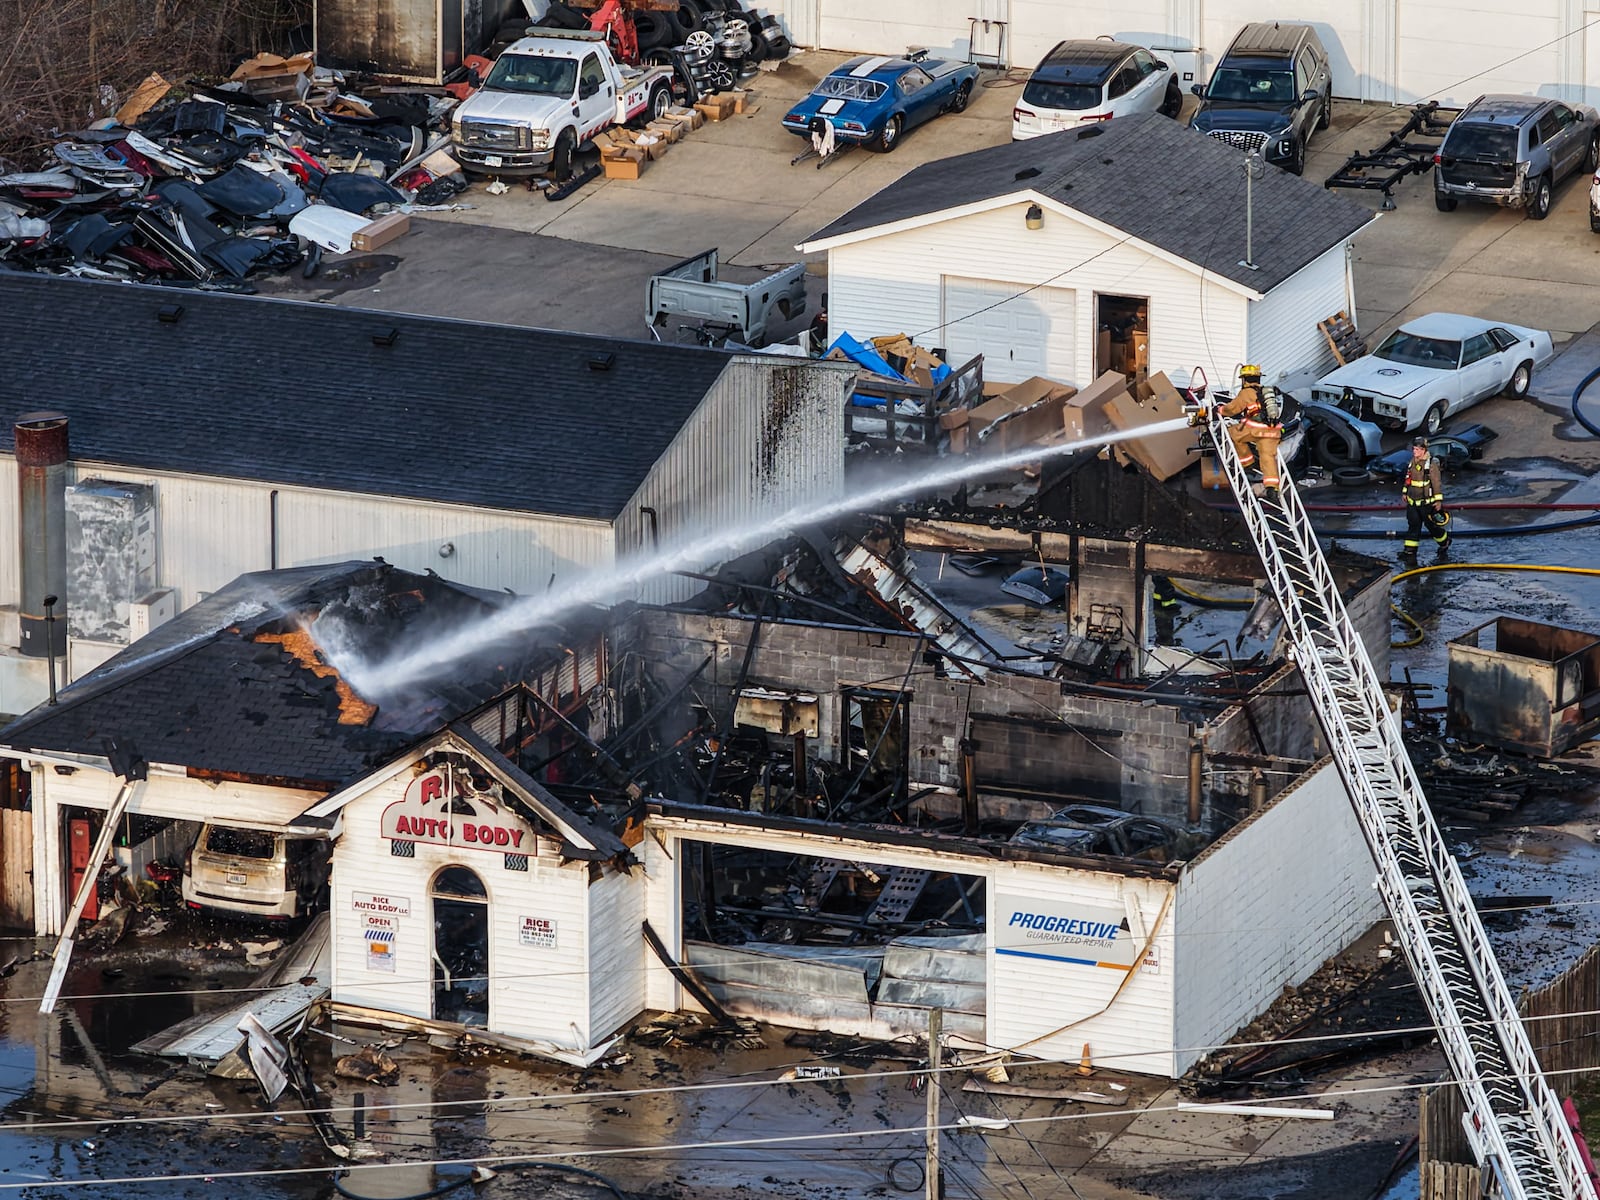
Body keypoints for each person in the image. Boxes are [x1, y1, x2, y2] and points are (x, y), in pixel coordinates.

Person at [1218, 365, 1283, 494]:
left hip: (1256, 429)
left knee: (1233, 433)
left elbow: (1232, 409)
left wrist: (1219, 410)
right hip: (1273, 429)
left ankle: (1248, 464)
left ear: (1245, 380)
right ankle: (1272, 488)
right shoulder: (1265, 392)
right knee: (1268, 456)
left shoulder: (1246, 392)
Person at [1401, 436, 1450, 557]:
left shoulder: (1431, 465)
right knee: (1413, 525)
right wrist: (1404, 492)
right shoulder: (1412, 462)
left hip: (1427, 503)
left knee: (1432, 526)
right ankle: (1409, 551)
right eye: (1413, 449)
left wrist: (1438, 501)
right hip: (1412, 502)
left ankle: (1444, 542)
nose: (1414, 451)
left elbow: (1436, 483)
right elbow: (1408, 478)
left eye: (1417, 449)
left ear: (1423, 450)